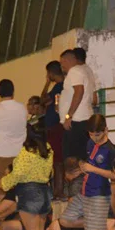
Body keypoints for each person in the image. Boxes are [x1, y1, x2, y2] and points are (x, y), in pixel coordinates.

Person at [0, 125, 54, 230]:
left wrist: (4, 183)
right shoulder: (48, 150)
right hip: (44, 191)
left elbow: (18, 174)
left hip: (29, 192)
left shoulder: (26, 152)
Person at [0, 79, 28, 203]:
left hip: (1, 157)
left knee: (0, 194)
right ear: (13, 92)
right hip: (21, 157)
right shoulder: (22, 108)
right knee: (21, 194)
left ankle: (1, 221)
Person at [59, 48, 97, 158]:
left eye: (62, 63)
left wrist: (68, 116)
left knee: (72, 159)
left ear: (68, 60)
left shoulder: (74, 71)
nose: (62, 67)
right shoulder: (87, 71)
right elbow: (95, 99)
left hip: (76, 121)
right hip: (84, 119)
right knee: (82, 156)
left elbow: (79, 91)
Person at [42, 61, 67, 196]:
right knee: (56, 161)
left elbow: (43, 100)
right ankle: (58, 190)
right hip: (55, 126)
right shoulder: (60, 86)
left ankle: (59, 191)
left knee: (57, 161)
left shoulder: (59, 86)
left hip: (56, 127)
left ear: (51, 73)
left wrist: (46, 83)